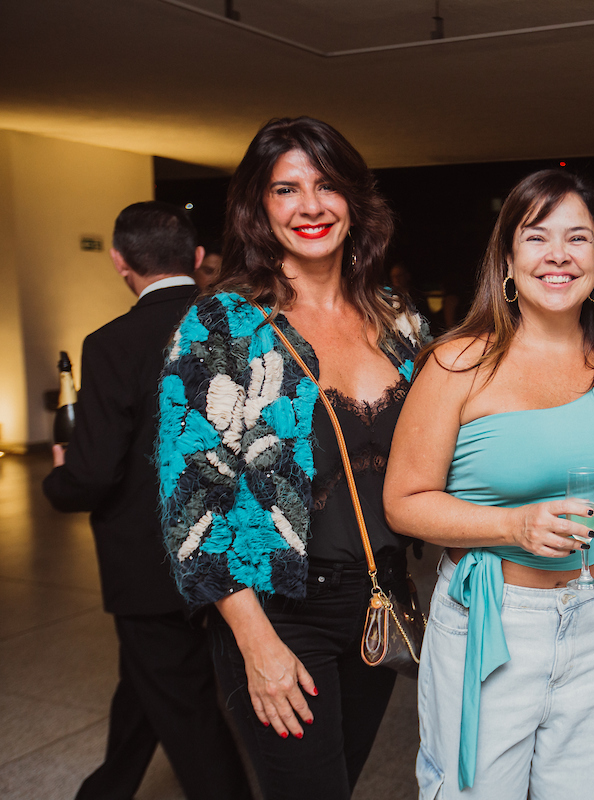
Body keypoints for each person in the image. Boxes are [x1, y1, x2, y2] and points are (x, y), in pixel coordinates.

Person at [156, 117, 428, 800]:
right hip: (280, 611)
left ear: (355, 201)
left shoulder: (395, 319)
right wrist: (255, 644)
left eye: (327, 185)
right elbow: (191, 505)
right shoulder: (222, 325)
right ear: (259, 208)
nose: (310, 205)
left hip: (377, 602)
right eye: (286, 189)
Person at [384, 169, 594, 799]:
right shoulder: (459, 362)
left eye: (577, 238)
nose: (558, 254)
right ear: (507, 260)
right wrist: (512, 525)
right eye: (536, 237)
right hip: (494, 619)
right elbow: (403, 502)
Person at [42, 201, 251, 800]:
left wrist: (61, 479)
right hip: (233, 548)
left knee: (183, 708)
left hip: (149, 561)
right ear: (197, 259)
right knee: (149, 683)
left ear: (119, 263)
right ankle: (106, 788)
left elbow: (95, 469)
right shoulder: (239, 329)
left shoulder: (110, 342)